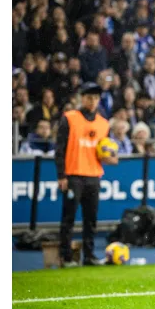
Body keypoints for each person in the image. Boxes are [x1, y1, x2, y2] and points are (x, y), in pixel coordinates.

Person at [55, 83, 119, 267]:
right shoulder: (69, 118)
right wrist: (61, 176)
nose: (92, 101)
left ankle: (89, 256)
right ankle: (66, 257)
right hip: (73, 175)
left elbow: (105, 152)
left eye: (96, 98)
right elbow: (60, 149)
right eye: (89, 97)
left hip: (93, 176)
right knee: (68, 218)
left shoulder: (103, 123)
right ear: (81, 98)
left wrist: (111, 158)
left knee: (91, 219)